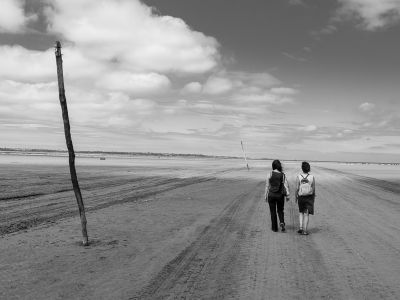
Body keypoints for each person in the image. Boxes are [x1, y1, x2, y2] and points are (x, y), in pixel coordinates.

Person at [265, 160, 290, 232]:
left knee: (272, 211)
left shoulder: (269, 174)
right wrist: (287, 195)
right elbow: (286, 185)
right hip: (280, 195)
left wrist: (265, 195)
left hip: (271, 195)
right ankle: (282, 222)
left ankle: (274, 228)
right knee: (280, 210)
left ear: (273, 166)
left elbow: (267, 186)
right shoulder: (283, 175)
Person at [295, 161, 316, 235]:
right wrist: (313, 198)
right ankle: (305, 231)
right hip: (309, 197)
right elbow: (313, 189)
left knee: (301, 212)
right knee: (306, 214)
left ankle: (300, 228)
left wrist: (295, 197)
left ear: (302, 168)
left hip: (301, 197)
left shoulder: (299, 176)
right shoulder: (312, 177)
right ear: (309, 169)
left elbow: (297, 188)